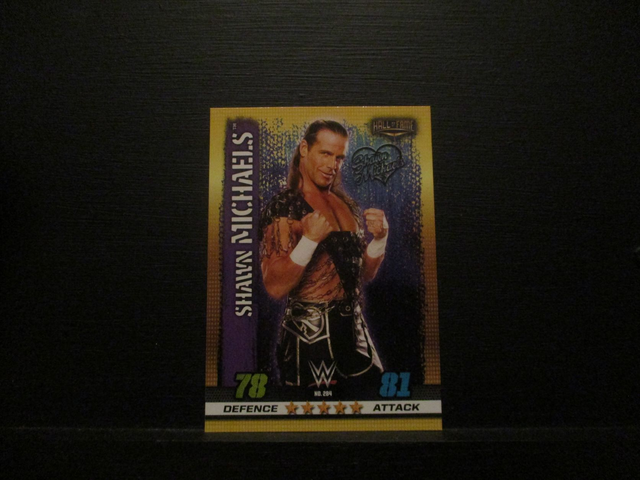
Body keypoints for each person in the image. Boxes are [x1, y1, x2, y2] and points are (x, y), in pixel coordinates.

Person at [259, 120, 389, 388]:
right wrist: (309, 240)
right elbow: (274, 285)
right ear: (304, 149)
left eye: (339, 157)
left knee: (371, 399)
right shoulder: (285, 206)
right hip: (309, 336)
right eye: (325, 154)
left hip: (354, 330)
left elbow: (363, 275)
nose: (333, 165)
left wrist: (380, 239)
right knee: (313, 410)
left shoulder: (346, 204)